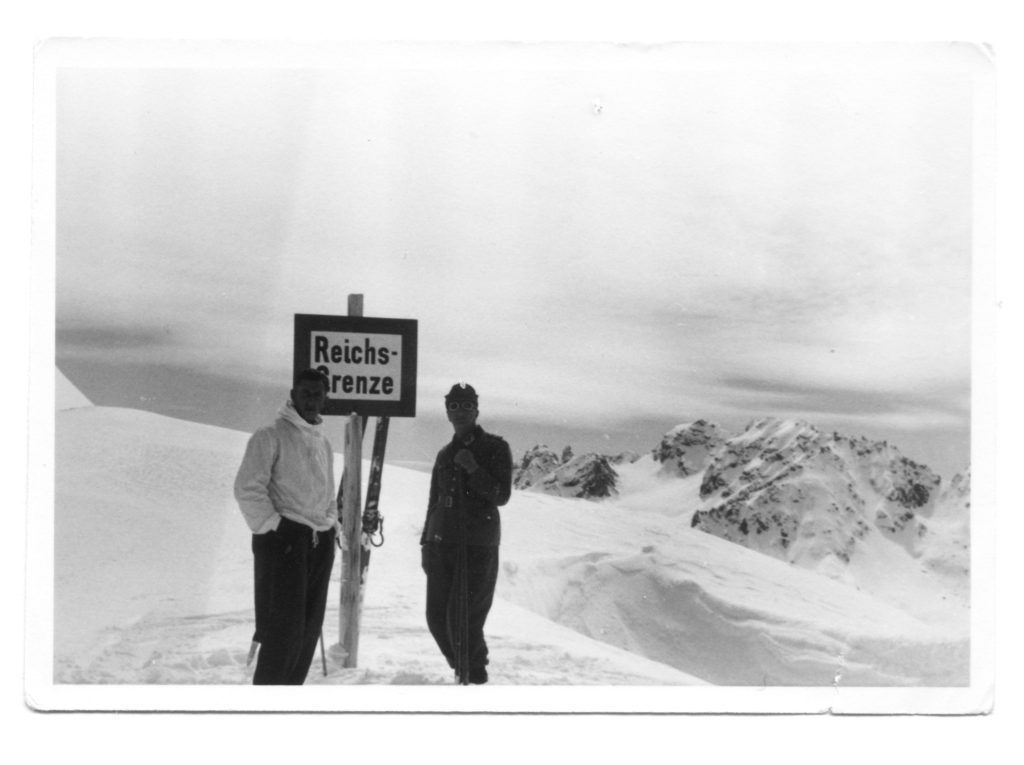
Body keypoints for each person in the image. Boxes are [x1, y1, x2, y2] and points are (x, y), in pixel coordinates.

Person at [234, 368, 339, 685]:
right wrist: (278, 528)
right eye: (305, 393)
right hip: (284, 543)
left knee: (308, 630)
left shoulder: (323, 443)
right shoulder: (270, 435)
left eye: (317, 394)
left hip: (318, 543)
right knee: (283, 633)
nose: (311, 400)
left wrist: (329, 526)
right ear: (293, 395)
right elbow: (247, 489)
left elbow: (328, 494)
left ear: (325, 398)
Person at [421, 383, 513, 684]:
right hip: (442, 544)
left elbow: (501, 495)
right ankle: (463, 667)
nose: (460, 412)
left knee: (465, 619)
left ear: (476, 410)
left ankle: (473, 676)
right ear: (447, 412)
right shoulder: (445, 454)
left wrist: (474, 469)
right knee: (437, 619)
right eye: (454, 406)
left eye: (466, 406)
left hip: (478, 544)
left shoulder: (495, 448)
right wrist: (426, 543)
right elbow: (434, 501)